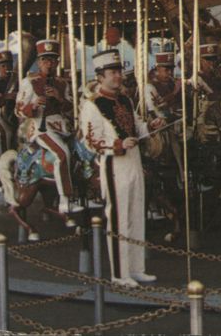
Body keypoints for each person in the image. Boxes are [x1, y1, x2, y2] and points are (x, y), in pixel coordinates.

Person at [79, 49, 164, 287]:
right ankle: (119, 273)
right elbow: (89, 140)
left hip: (134, 159)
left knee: (137, 214)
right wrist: (117, 144)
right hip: (114, 163)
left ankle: (137, 269)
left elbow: (136, 126)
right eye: (112, 73)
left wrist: (151, 126)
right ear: (100, 76)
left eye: (118, 72)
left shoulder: (125, 99)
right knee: (119, 218)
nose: (117, 77)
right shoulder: (92, 105)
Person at [16, 39, 81, 214]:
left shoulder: (62, 83)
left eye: (53, 60)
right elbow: (18, 110)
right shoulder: (29, 82)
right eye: (45, 60)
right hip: (39, 126)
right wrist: (34, 105)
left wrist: (60, 98)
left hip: (62, 125)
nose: (49, 64)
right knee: (62, 154)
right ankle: (65, 200)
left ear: (57, 62)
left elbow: (71, 108)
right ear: (39, 62)